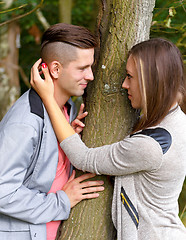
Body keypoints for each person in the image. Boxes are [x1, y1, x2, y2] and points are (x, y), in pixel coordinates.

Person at [31, 38, 186, 240]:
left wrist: (48, 98)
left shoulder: (149, 146)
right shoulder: (177, 119)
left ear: (151, 81)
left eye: (130, 77)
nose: (124, 84)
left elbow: (83, 158)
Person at [0, 23, 105, 240]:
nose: (91, 76)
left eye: (91, 67)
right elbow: (3, 192)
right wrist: (62, 201)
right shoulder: (26, 122)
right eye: (82, 68)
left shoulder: (68, 111)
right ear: (55, 69)